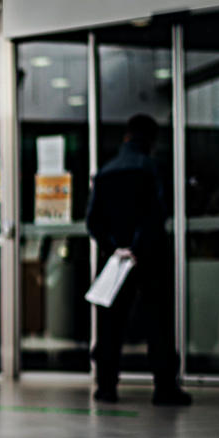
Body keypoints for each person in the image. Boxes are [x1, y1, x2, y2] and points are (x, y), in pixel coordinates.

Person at [86, 114, 191, 406]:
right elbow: (157, 212)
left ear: (126, 136)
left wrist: (116, 247)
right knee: (158, 322)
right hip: (149, 257)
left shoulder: (105, 172)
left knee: (110, 324)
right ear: (151, 140)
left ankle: (106, 386)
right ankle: (164, 387)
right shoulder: (151, 168)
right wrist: (136, 246)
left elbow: (93, 221)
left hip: (115, 260)